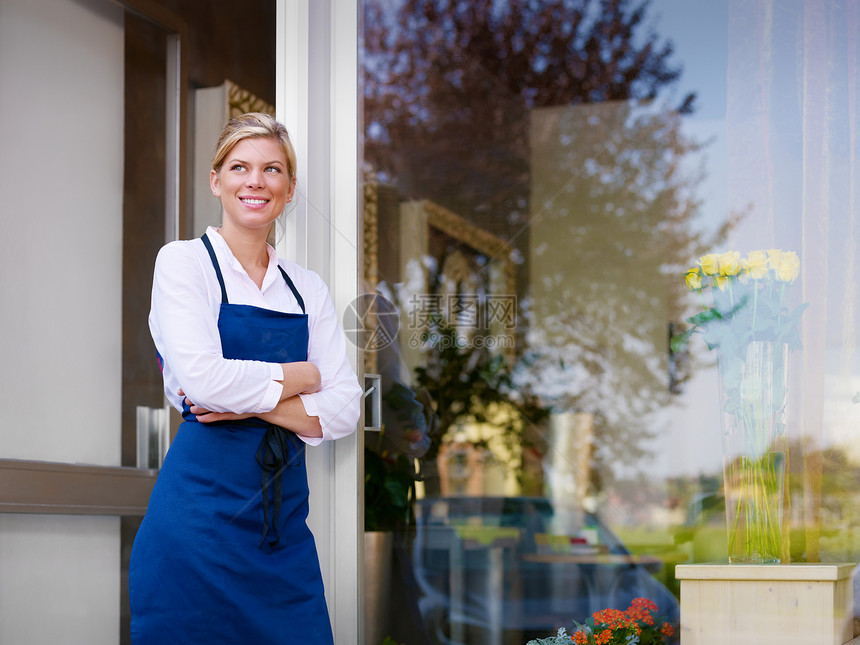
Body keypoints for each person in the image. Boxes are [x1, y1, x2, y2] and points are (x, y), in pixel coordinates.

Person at [129, 112, 362, 644]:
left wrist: (249, 400)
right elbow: (204, 382)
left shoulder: (306, 288)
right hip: (193, 533)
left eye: (271, 169)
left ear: (289, 188)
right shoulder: (184, 264)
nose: (255, 181)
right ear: (217, 181)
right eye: (240, 167)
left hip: (280, 537)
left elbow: (347, 406)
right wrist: (301, 376)